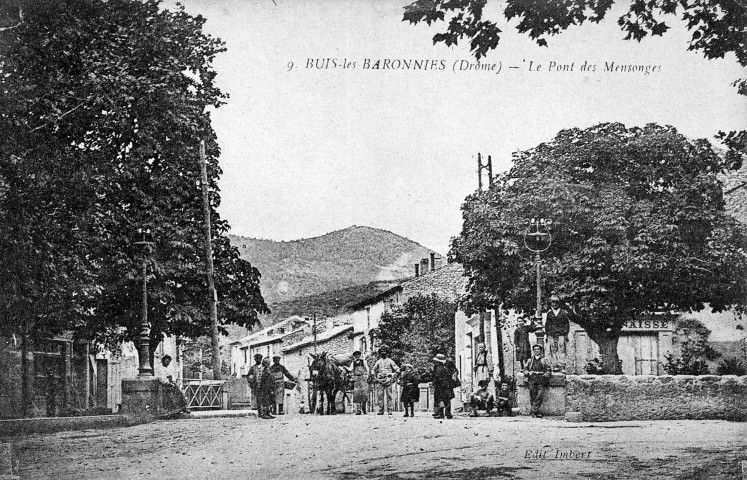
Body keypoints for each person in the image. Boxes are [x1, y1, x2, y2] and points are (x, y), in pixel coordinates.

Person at [524, 344, 552, 418]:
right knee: (533, 396)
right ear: (533, 351)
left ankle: (533, 411)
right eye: (535, 349)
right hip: (532, 380)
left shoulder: (544, 360)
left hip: (541, 380)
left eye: (538, 349)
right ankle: (535, 412)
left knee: (539, 395)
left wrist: (546, 374)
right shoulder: (530, 360)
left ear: (540, 351)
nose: (537, 351)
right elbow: (525, 369)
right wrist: (528, 372)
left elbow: (548, 370)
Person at [372, 345, 400, 415]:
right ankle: (380, 410)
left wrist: (393, 376)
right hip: (380, 379)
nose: (383, 353)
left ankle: (390, 410)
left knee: (389, 395)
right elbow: (373, 369)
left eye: (385, 351)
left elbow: (397, 369)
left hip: (388, 380)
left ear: (387, 353)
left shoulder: (390, 361)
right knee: (380, 395)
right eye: (382, 352)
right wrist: (374, 377)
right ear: (380, 353)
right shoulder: (378, 361)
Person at [545, 296, 571, 365]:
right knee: (553, 349)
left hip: (561, 334)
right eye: (553, 303)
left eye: (556, 303)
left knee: (562, 349)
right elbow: (547, 325)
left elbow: (566, 324)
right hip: (552, 334)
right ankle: (554, 364)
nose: (554, 304)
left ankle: (562, 365)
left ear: (558, 304)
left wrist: (566, 334)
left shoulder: (563, 313)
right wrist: (547, 335)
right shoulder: (549, 313)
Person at [431, 353, 456, 419]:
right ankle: (448, 414)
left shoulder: (439, 368)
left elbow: (437, 378)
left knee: (440, 400)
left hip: (441, 386)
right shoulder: (445, 367)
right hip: (446, 386)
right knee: (447, 400)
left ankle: (441, 414)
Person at [350, 350, 369, 415]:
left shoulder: (363, 361)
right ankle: (358, 410)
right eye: (355, 355)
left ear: (360, 355)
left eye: (358, 355)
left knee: (364, 394)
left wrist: (367, 376)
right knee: (357, 395)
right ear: (354, 356)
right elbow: (351, 369)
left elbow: (367, 369)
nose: (357, 356)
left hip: (363, 378)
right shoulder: (353, 362)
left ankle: (364, 409)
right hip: (356, 379)